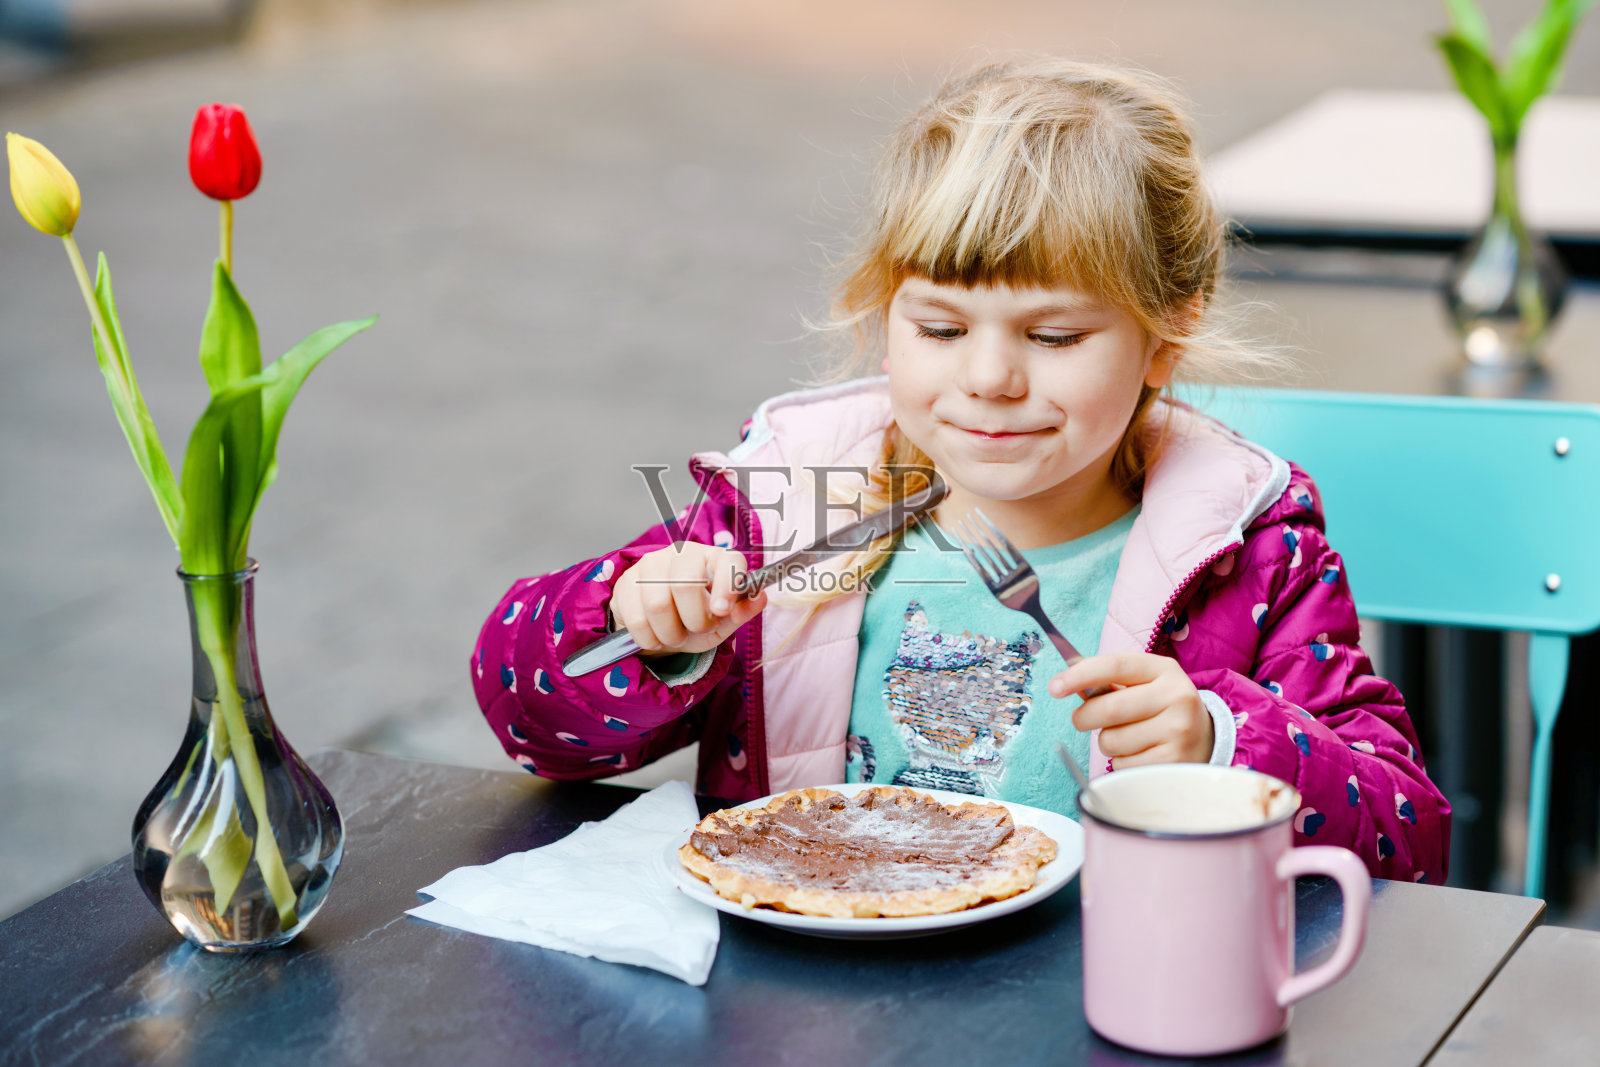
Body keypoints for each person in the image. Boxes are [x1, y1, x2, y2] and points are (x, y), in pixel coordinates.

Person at [471, 57, 1449, 881]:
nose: (988, 378)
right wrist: (634, 624)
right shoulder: (786, 504)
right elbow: (525, 719)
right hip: (804, 992)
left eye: (1054, 333)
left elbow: (1409, 840)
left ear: (1167, 329)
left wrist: (1222, 743)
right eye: (939, 326)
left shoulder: (1249, 551)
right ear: (880, 310)